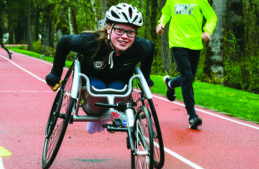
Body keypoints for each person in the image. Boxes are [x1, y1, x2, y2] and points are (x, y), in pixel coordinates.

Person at [46, 3, 155, 134]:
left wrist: (146, 78)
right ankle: (98, 118)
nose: (125, 36)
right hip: (92, 79)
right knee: (98, 89)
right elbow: (64, 42)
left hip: (119, 80)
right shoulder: (90, 41)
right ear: (109, 28)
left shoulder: (141, 46)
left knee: (118, 91)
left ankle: (108, 117)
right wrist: (55, 74)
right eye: (119, 30)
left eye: (131, 32)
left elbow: (150, 48)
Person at [156, 1, 217, 129]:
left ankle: (170, 83)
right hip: (177, 42)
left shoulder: (200, 1)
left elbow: (212, 17)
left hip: (195, 44)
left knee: (189, 78)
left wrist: (207, 31)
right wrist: (161, 23)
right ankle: (192, 115)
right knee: (187, 76)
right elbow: (166, 13)